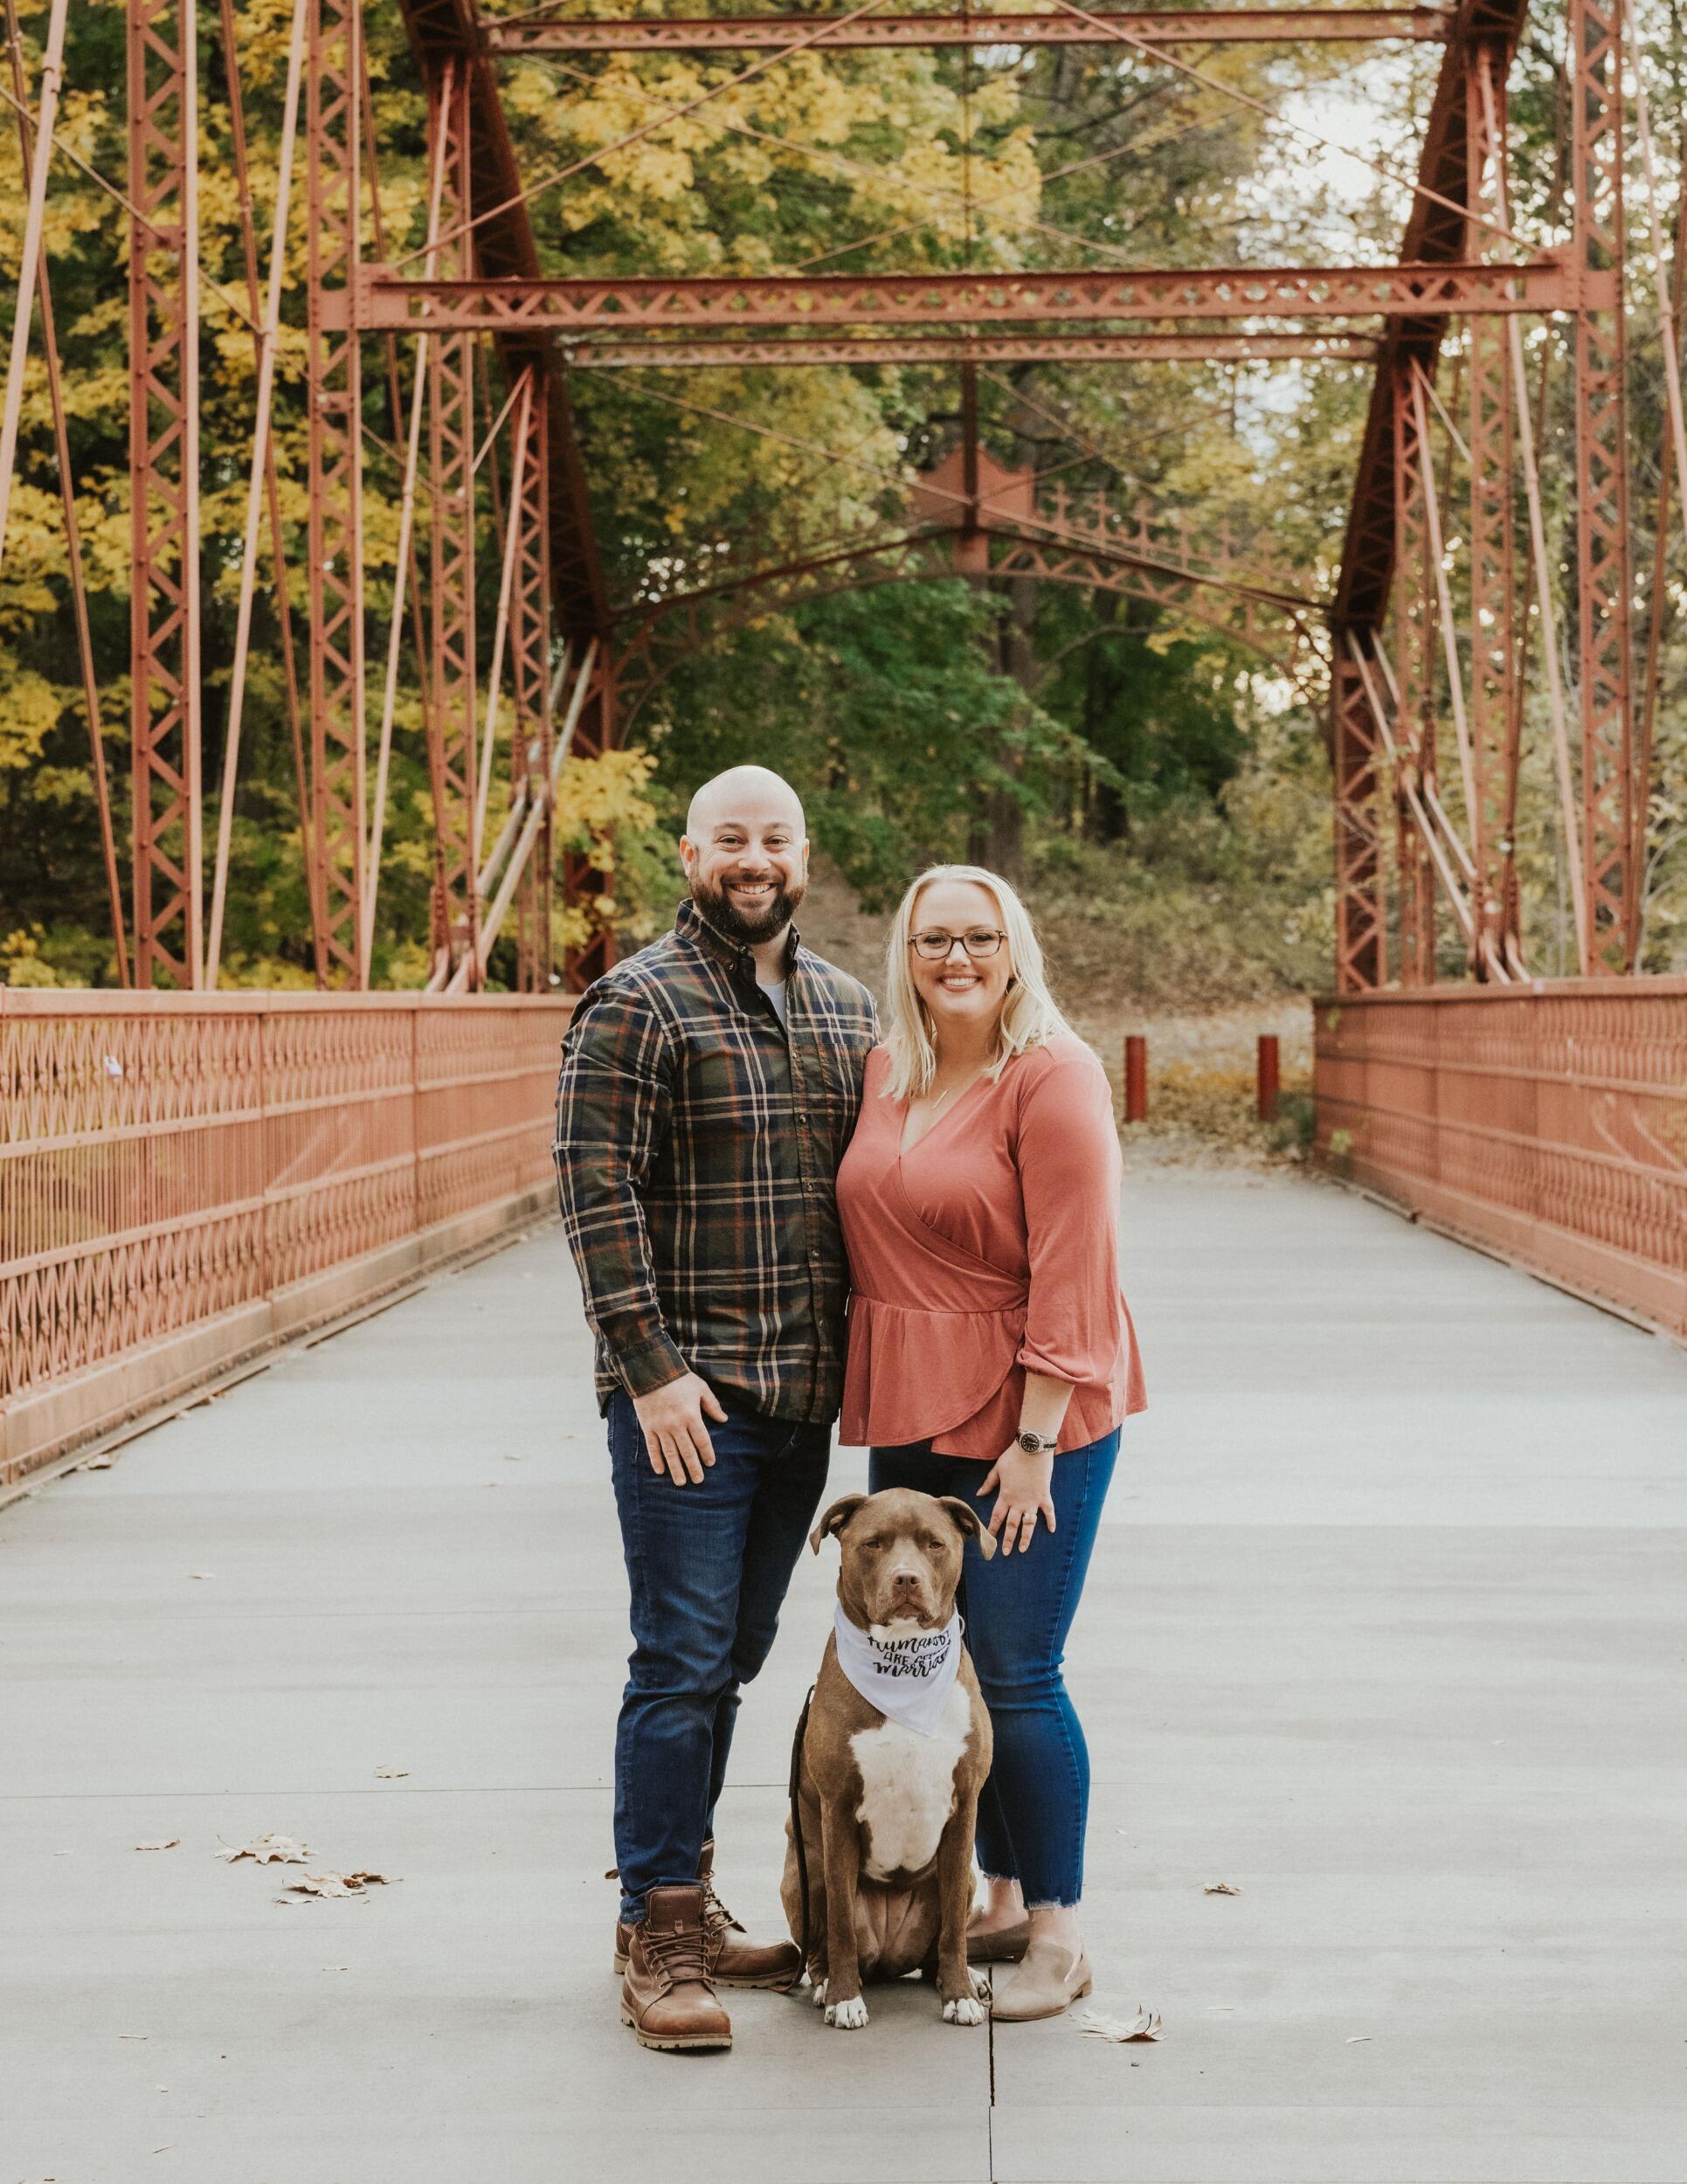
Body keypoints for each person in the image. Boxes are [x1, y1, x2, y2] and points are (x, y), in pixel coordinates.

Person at [553, 765, 878, 2054]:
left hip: (804, 1401)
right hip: (689, 1401)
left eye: (776, 839)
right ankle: (658, 1926)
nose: (756, 859)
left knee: (732, 1657)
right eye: (730, 839)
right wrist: (647, 1367)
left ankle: (686, 1886)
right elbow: (595, 1194)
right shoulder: (633, 1003)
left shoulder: (853, 1012)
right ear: (691, 855)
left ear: (805, 854)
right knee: (680, 1661)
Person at [835, 862, 1145, 2022]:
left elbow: (1077, 1265)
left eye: (977, 938)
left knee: (1016, 1674)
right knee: (937, 1672)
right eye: (932, 941)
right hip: (912, 1409)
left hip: (1029, 1419)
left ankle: (1058, 1928)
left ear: (1015, 951)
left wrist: (1032, 1439)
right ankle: (1002, 1895)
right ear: (905, 957)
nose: (954, 958)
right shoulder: (887, 1072)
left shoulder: (1053, 1077)